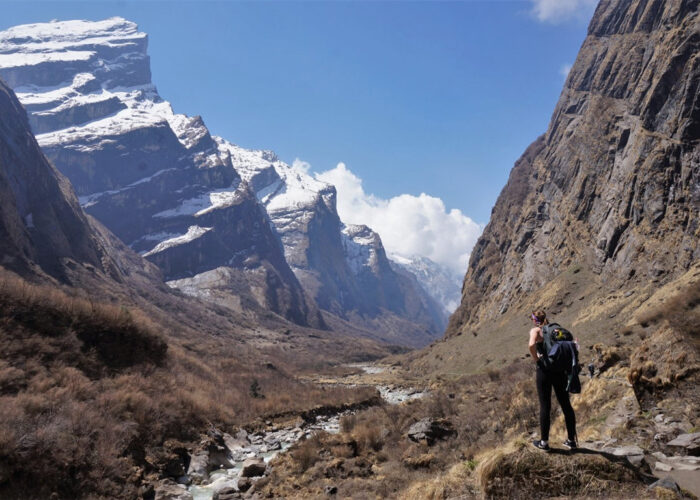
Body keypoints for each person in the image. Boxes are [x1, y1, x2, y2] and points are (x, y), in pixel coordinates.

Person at [528, 309, 577, 451]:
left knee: (545, 406)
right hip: (560, 371)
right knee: (566, 404)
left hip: (544, 371)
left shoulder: (536, 331)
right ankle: (571, 440)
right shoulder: (556, 329)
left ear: (534, 319)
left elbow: (531, 345)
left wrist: (537, 360)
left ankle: (544, 442)